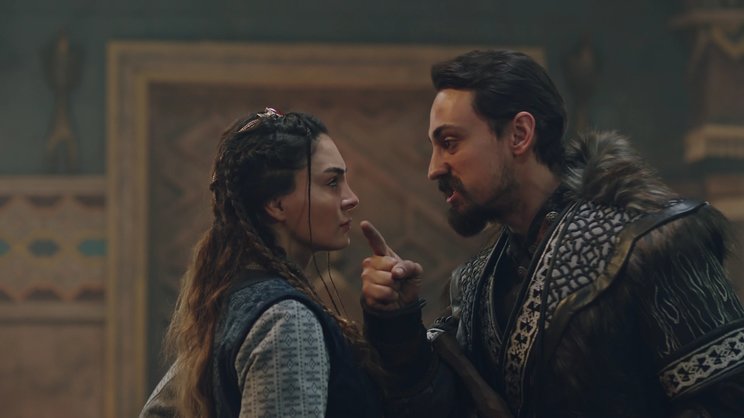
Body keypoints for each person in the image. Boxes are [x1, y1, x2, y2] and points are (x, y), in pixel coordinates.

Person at [359, 50, 744, 418]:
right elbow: (444, 409)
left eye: (449, 143)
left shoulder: (651, 243)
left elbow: (726, 401)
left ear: (520, 134)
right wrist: (398, 324)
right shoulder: (476, 283)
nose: (434, 169)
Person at [140, 108, 382, 418]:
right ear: (277, 204)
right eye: (332, 182)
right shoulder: (285, 320)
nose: (351, 198)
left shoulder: (234, 299)